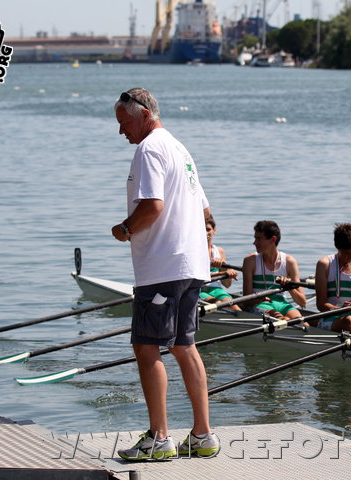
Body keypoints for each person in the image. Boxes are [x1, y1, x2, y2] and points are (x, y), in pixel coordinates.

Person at [111, 88, 220, 461]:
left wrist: (124, 229)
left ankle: (159, 438)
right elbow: (206, 212)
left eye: (124, 122)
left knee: (145, 347)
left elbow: (153, 206)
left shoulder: (150, 148)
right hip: (191, 266)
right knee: (183, 345)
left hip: (163, 267)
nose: (121, 131)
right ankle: (202, 435)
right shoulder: (180, 147)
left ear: (143, 115)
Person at [241, 220, 307, 321]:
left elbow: (302, 302)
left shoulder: (289, 262)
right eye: (255, 238)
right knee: (280, 319)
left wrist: (290, 288)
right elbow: (246, 301)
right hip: (260, 303)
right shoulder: (250, 261)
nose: (254, 243)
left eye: (258, 239)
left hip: (282, 303)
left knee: (302, 322)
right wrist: (260, 298)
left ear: (273, 239)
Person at [200, 216, 241, 311]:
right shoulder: (194, 252)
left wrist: (224, 269)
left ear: (214, 230)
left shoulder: (220, 251)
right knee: (217, 304)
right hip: (200, 290)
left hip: (217, 290)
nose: (205, 233)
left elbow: (227, 285)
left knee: (236, 309)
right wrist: (223, 273)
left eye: (208, 229)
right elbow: (196, 279)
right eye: (202, 230)